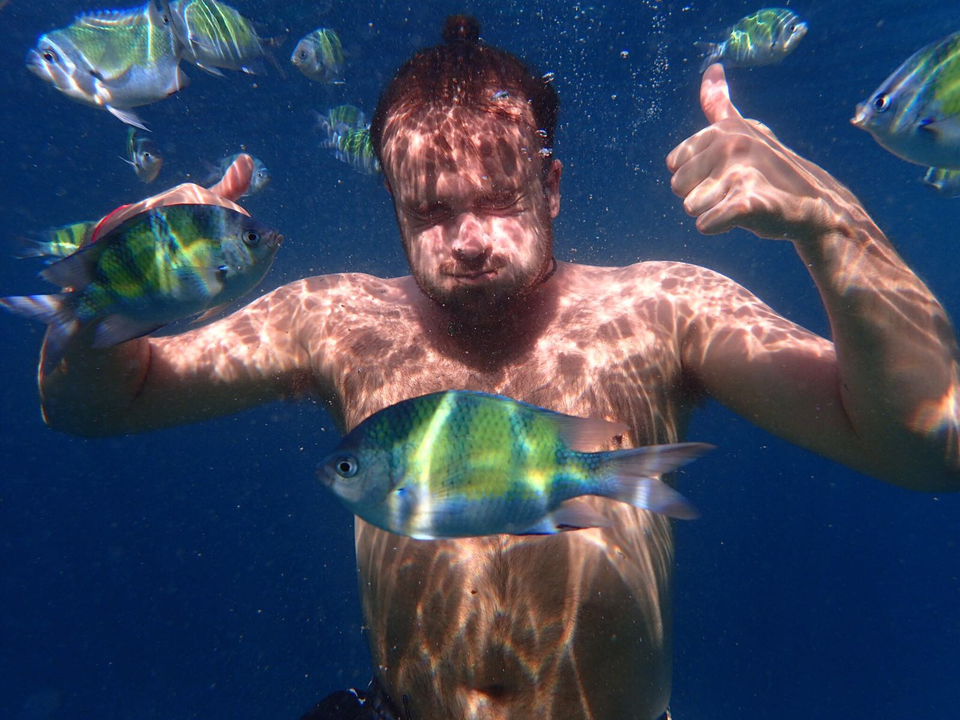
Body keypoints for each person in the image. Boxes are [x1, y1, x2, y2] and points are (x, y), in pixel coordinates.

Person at [36, 15, 960, 720]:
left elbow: (929, 442)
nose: (471, 240)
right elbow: (95, 405)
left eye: (501, 198)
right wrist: (114, 283)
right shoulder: (334, 318)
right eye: (432, 211)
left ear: (550, 187)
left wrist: (830, 223)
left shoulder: (661, 308)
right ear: (394, 208)